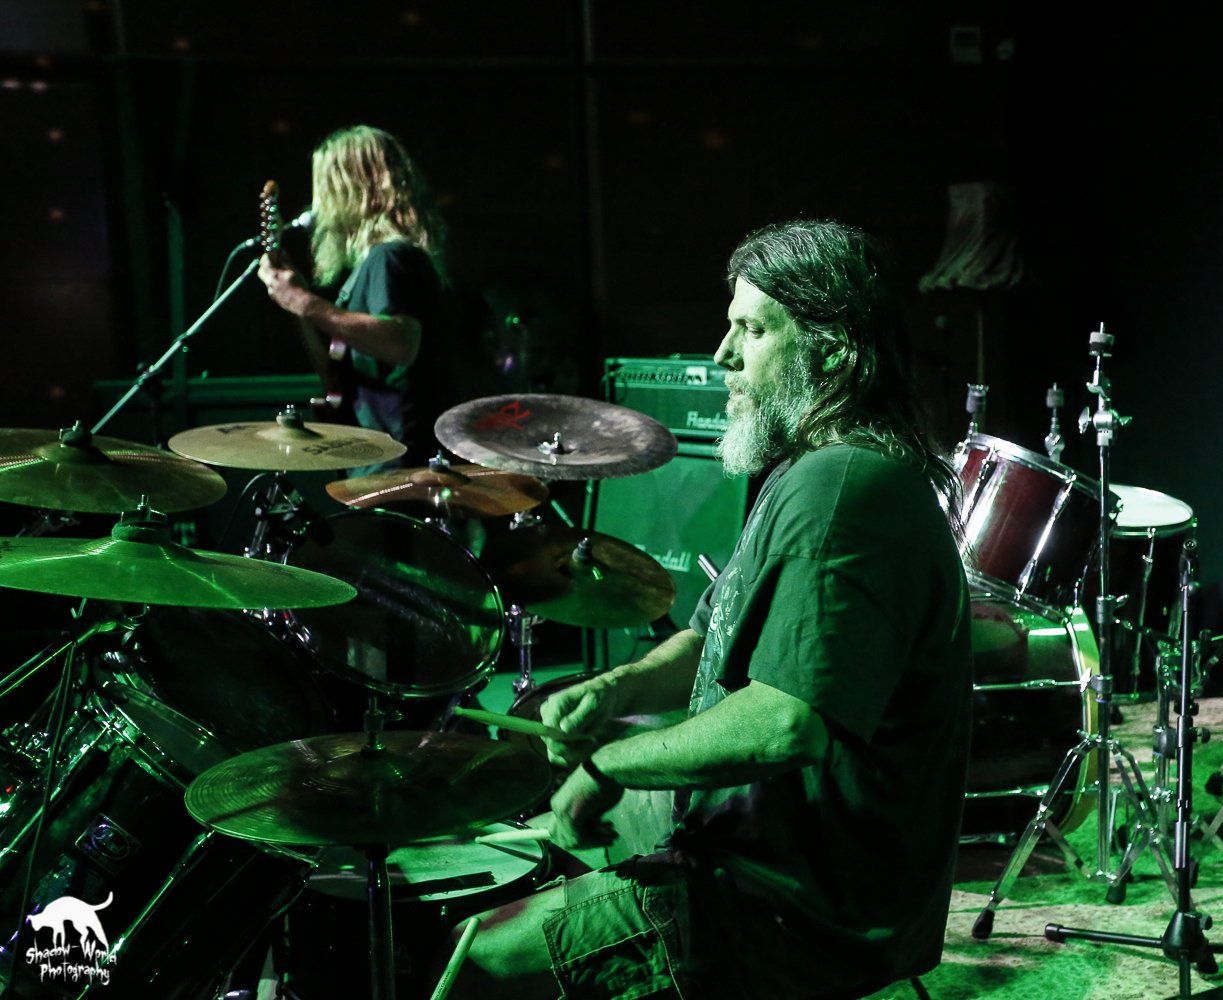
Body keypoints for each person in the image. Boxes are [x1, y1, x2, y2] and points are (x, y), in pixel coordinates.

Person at [450, 220, 972, 999]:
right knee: (521, 848)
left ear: (833, 352)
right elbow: (711, 637)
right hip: (750, 849)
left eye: (751, 331)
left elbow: (783, 723)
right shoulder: (806, 472)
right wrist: (615, 692)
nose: (722, 355)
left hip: (793, 909)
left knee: (476, 958)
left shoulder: (843, 490)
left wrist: (608, 763)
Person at [257, 124, 449, 469]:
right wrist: (299, 302)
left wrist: (303, 302)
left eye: (324, 186)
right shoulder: (368, 266)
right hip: (375, 459)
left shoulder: (390, 256)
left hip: (404, 463)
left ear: (351, 187)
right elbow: (333, 377)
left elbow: (402, 343)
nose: (319, 204)